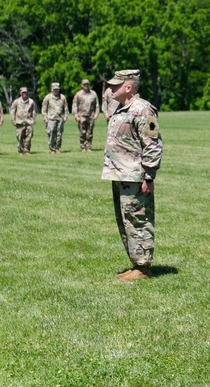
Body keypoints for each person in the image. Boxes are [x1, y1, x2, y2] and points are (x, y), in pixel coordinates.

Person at [102, 69, 164, 282]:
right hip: (121, 175)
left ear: (128, 87)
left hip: (136, 177)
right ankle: (136, 263)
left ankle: (144, 267)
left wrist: (149, 176)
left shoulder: (143, 109)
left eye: (115, 85)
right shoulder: (121, 108)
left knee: (138, 220)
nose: (110, 88)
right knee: (126, 221)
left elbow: (153, 144)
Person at [72, 79, 100, 152]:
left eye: (87, 84)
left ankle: (89, 147)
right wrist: (76, 116)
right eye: (84, 84)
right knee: (82, 132)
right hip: (81, 116)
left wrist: (96, 114)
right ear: (82, 85)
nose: (86, 86)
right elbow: (74, 105)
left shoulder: (93, 94)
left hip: (91, 116)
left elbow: (97, 105)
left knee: (90, 132)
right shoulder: (78, 94)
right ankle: (83, 147)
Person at [42, 82, 69, 153]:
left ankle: (57, 148)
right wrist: (45, 118)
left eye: (57, 89)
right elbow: (44, 109)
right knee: (50, 133)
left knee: (59, 134)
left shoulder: (62, 97)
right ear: (52, 89)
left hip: (60, 118)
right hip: (51, 118)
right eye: (54, 89)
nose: (56, 90)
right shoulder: (48, 97)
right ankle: (52, 148)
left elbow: (66, 108)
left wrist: (66, 116)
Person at [10, 87, 37, 154]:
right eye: (23, 93)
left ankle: (27, 150)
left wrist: (34, 119)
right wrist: (13, 120)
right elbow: (12, 111)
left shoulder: (31, 101)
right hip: (19, 122)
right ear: (20, 93)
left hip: (29, 122)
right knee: (19, 137)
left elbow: (34, 111)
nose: (24, 94)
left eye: (25, 92)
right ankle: (20, 151)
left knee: (29, 137)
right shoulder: (16, 101)